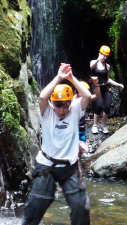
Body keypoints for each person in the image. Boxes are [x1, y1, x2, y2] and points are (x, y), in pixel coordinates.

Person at [22, 63, 91, 225]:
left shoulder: (74, 109)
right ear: (53, 104)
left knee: (81, 207)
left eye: (65, 104)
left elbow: (87, 96)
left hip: (70, 166)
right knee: (35, 207)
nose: (62, 109)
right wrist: (59, 77)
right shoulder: (47, 112)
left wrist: (71, 77)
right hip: (47, 164)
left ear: (70, 103)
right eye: (58, 105)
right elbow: (42, 97)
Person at [90, 45, 124, 134]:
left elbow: (108, 79)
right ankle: (95, 125)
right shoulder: (94, 62)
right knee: (98, 105)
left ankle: (103, 125)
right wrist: (98, 59)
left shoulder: (107, 66)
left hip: (106, 87)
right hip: (97, 87)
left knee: (107, 106)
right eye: (103, 55)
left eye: (106, 56)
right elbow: (91, 67)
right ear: (100, 53)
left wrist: (118, 84)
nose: (104, 57)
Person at [74, 79, 100, 158]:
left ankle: (79, 160)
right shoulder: (71, 101)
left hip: (81, 130)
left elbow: (97, 95)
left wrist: (96, 85)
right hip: (73, 130)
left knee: (81, 149)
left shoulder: (85, 99)